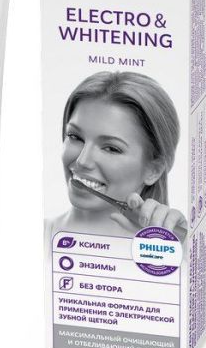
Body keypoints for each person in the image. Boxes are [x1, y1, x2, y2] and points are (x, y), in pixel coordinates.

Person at [54, 71, 186, 238]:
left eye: (111, 148)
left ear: (154, 170)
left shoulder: (175, 249)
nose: (82, 161)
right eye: (75, 137)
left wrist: (183, 247)